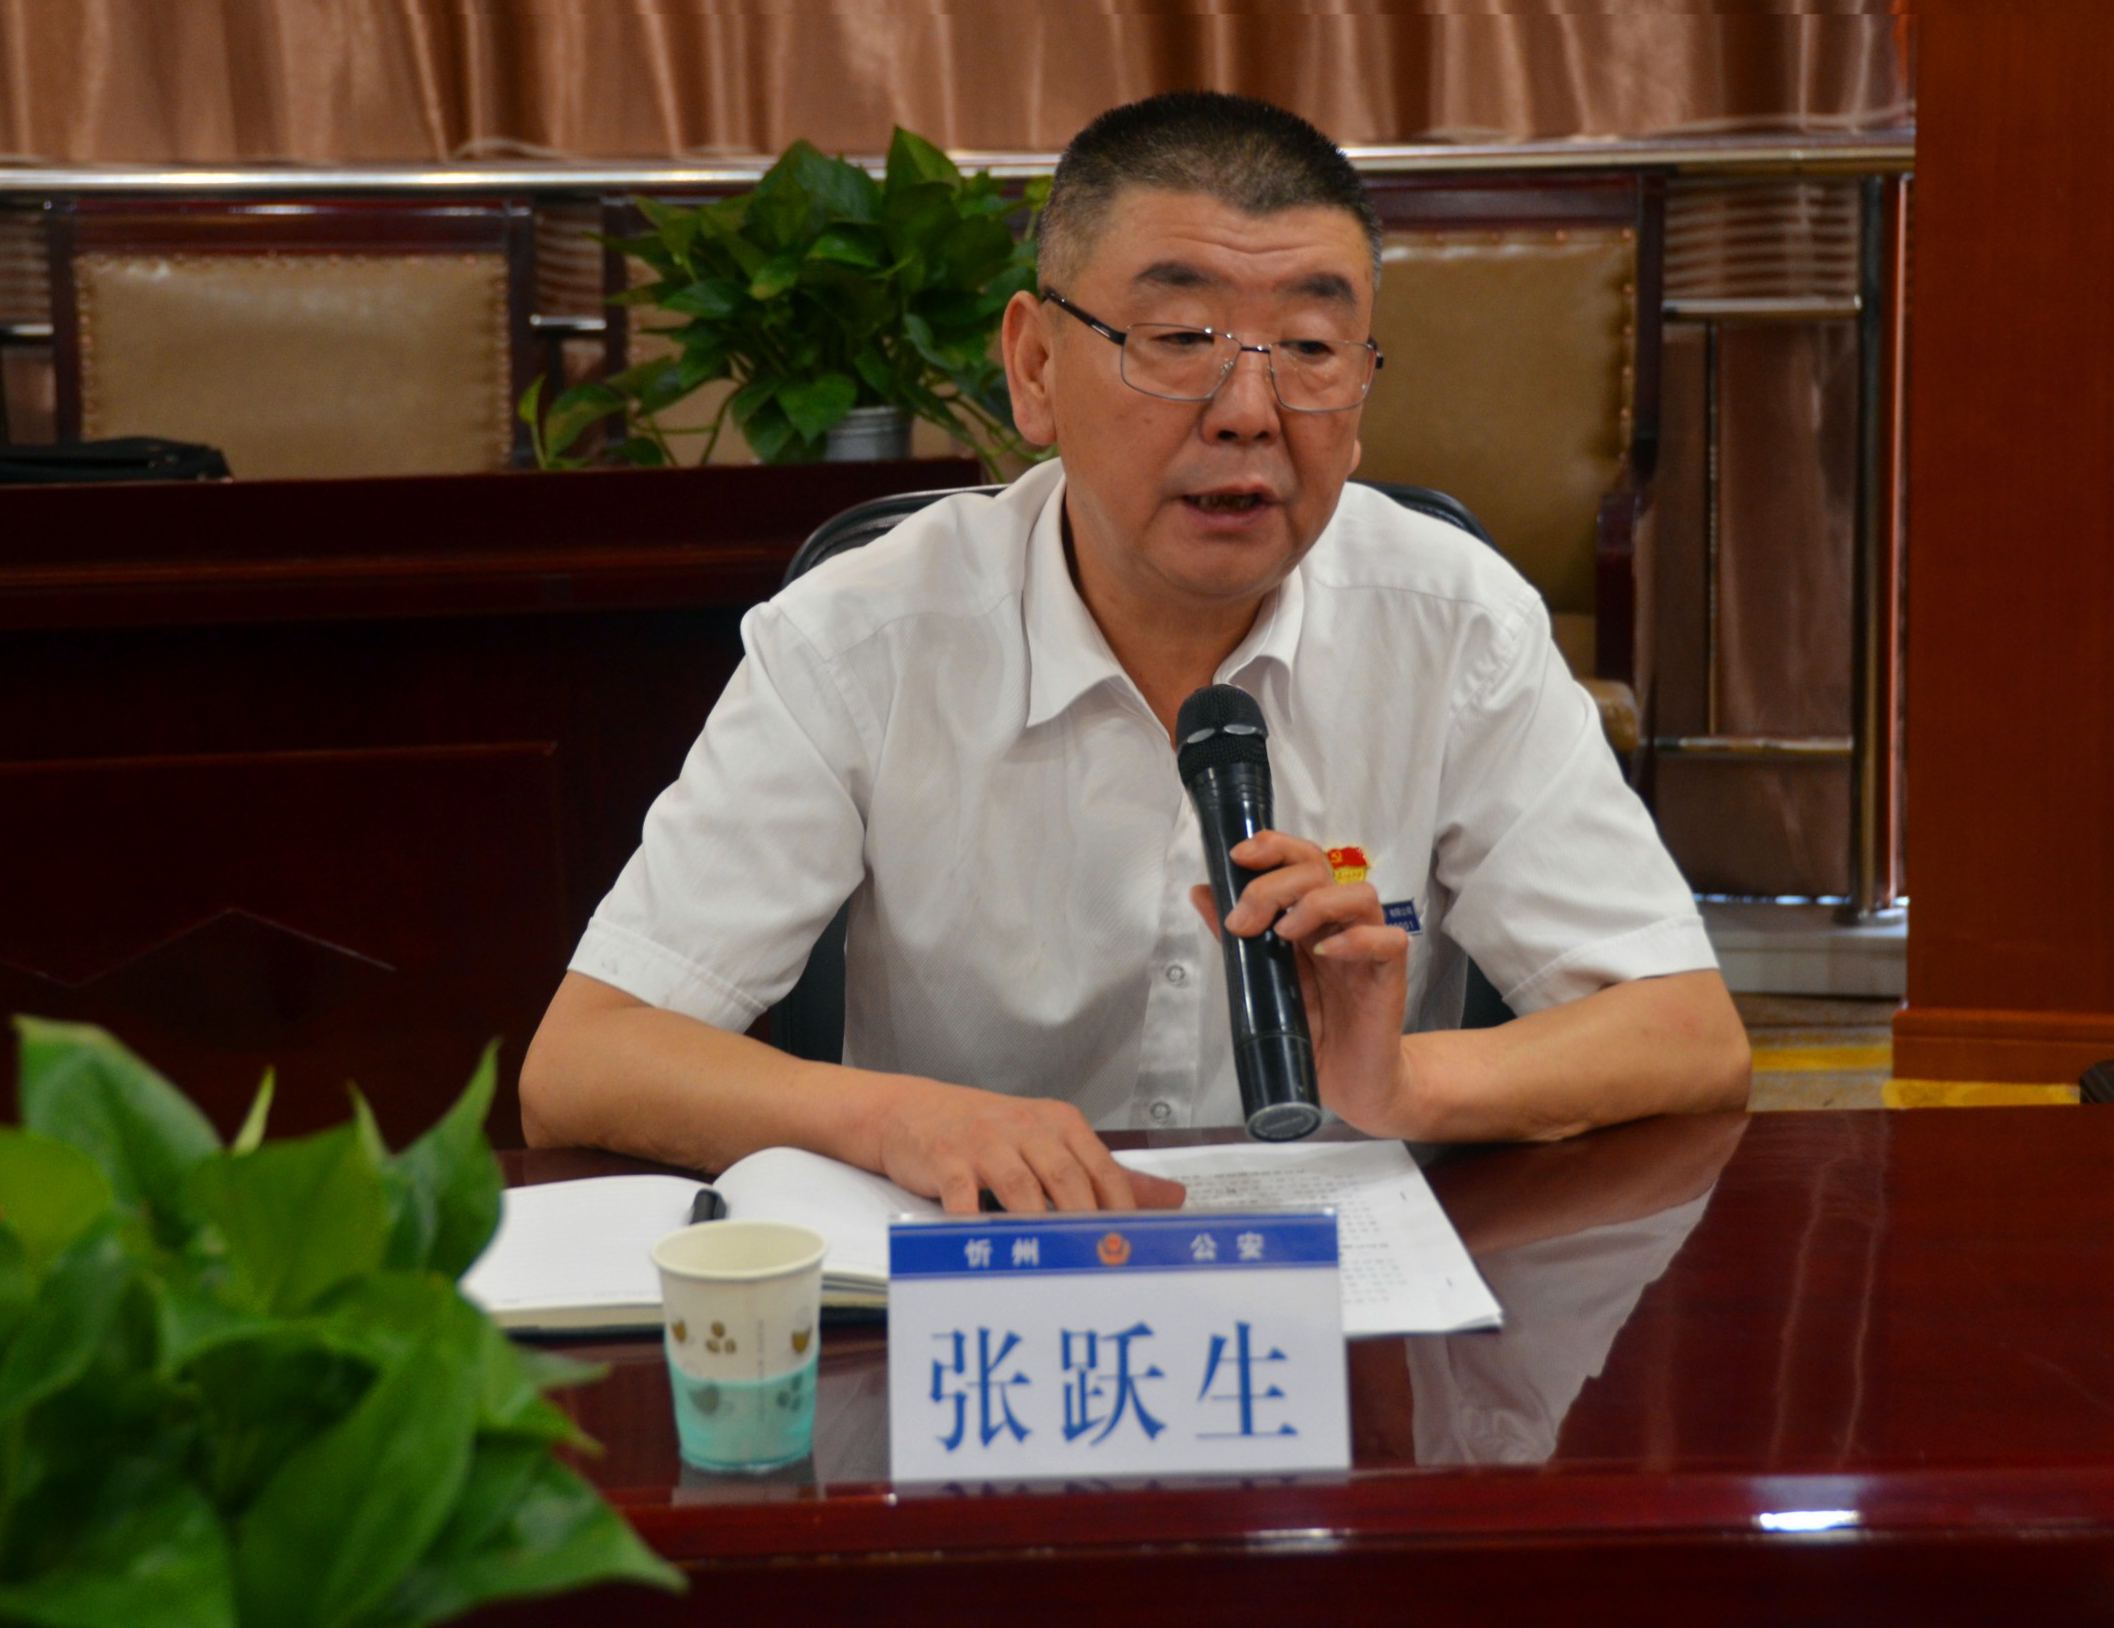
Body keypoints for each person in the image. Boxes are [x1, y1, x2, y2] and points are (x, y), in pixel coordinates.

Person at [520, 91, 1750, 1213]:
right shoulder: (861, 636)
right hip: (983, 1301)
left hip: (1339, 1314)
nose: (1249, 412)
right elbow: (584, 1060)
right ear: (1034, 367)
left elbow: (1687, 1035)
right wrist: (897, 1119)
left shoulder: (1455, 621)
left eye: (1310, 348)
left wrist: (1403, 1084)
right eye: (1177, 338)